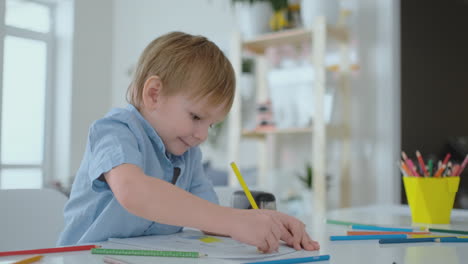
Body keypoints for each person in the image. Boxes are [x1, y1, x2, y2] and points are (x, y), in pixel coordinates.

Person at [57, 31, 320, 253]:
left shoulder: (187, 154)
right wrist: (232, 221)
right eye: (196, 116)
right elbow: (133, 191)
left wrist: (265, 221)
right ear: (154, 94)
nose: (203, 135)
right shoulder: (114, 131)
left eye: (211, 124)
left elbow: (211, 219)